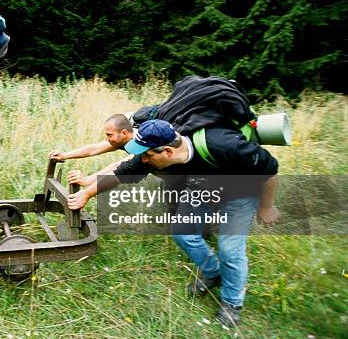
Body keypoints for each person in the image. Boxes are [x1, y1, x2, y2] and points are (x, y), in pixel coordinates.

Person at [67, 119, 281, 327]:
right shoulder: (149, 156)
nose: (143, 161)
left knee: (230, 249)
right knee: (182, 232)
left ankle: (231, 303)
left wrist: (266, 207)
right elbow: (120, 173)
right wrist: (86, 193)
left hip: (240, 195)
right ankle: (213, 272)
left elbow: (270, 171)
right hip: (204, 190)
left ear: (168, 151)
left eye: (147, 156)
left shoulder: (223, 144)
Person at [49, 114, 134, 187]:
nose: (106, 139)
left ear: (124, 133)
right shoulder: (124, 137)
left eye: (109, 135)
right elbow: (95, 149)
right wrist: (64, 155)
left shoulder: (141, 143)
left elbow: (118, 166)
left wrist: (87, 180)